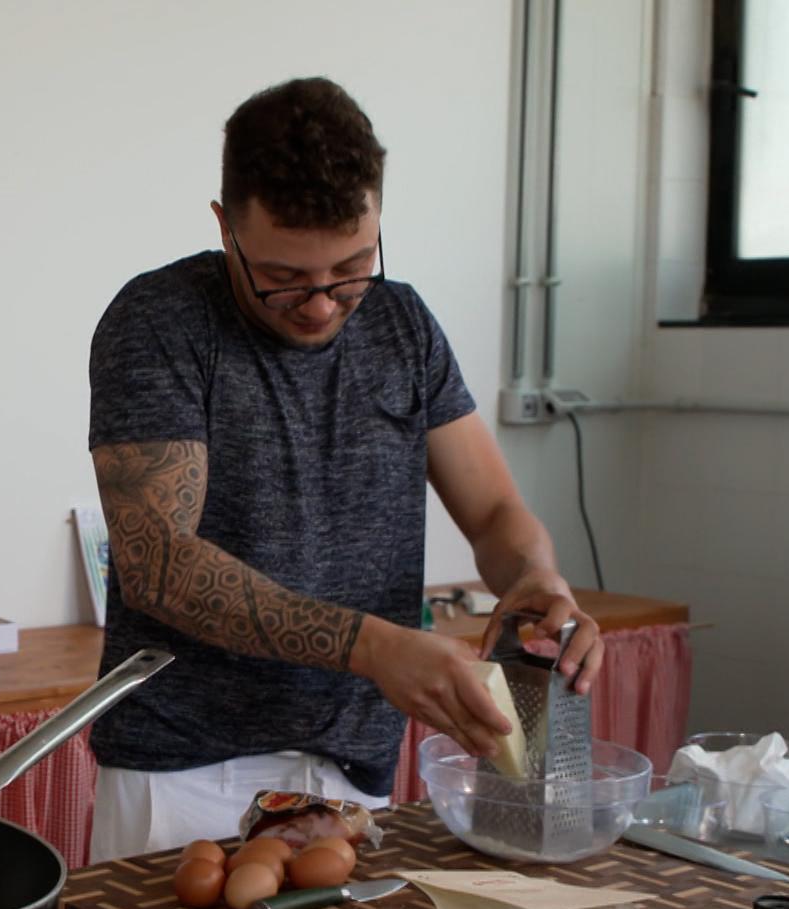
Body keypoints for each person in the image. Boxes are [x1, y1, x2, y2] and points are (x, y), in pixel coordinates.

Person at [83, 78, 603, 864]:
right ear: (225, 227)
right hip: (184, 775)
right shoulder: (160, 322)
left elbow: (494, 509)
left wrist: (539, 579)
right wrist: (371, 647)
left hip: (351, 774)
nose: (323, 304)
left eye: (352, 266)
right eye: (284, 277)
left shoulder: (404, 325)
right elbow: (159, 564)